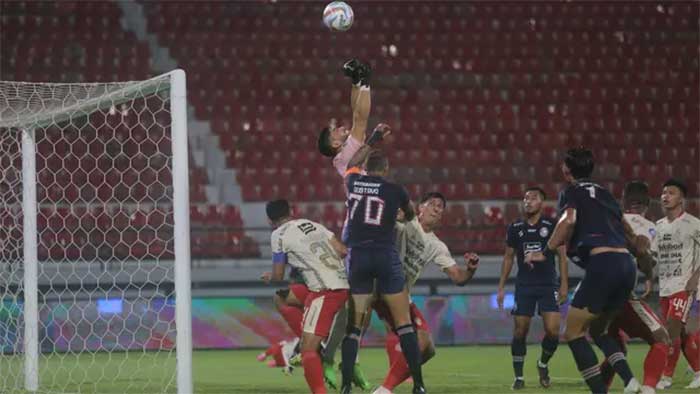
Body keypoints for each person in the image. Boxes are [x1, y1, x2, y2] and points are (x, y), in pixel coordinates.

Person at [527, 147, 649, 393]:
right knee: (598, 330)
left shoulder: (570, 192)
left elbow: (568, 220)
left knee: (572, 332)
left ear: (566, 170)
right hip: (626, 266)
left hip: (603, 264)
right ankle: (632, 382)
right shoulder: (605, 193)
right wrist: (641, 254)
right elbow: (627, 230)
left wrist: (546, 251)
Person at [372, 192, 480, 394]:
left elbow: (458, 278)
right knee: (416, 340)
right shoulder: (407, 223)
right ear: (420, 208)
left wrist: (471, 269)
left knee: (427, 349)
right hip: (380, 284)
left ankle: (388, 385)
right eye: (433, 204)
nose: (437, 209)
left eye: (441, 208)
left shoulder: (437, 246)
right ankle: (385, 389)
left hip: (401, 293)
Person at [340, 151, 426, 394]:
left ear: (366, 168)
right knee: (403, 324)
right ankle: (418, 385)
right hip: (385, 255)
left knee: (354, 327)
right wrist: (397, 214)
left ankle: (346, 387)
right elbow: (409, 215)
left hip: (358, 256)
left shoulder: (353, 181)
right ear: (386, 169)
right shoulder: (396, 190)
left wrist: (372, 140)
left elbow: (350, 164)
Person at [262, 199, 350, 394]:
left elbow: (278, 276)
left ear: (270, 220)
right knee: (281, 297)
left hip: (325, 291)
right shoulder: (313, 225)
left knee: (308, 351)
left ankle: (313, 352)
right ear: (291, 211)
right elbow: (343, 251)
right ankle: (312, 338)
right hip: (340, 285)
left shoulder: (278, 235)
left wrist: (269, 277)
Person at [600, 181, 670, 394]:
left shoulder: (608, 220)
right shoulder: (648, 227)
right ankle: (648, 388)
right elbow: (643, 255)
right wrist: (649, 275)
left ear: (623, 202)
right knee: (661, 339)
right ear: (648, 204)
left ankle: (600, 388)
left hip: (598, 294)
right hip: (624, 293)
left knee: (617, 346)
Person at [497, 187, 568, 390]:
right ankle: (519, 377)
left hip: (548, 284)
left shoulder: (552, 225)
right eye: (525, 197)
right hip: (525, 286)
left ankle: (542, 364)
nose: (528, 201)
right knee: (520, 331)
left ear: (542, 203)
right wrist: (501, 286)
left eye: (533, 197)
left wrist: (564, 284)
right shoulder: (515, 227)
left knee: (553, 331)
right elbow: (508, 257)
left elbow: (562, 257)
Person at [654, 178, 700, 390]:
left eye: (671, 192)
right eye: (664, 192)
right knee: (681, 334)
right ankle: (699, 371)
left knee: (671, 331)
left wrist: (695, 278)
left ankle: (666, 376)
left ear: (682, 198)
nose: (665, 196)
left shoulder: (694, 224)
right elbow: (655, 257)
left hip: (685, 286)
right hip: (664, 287)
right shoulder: (659, 226)